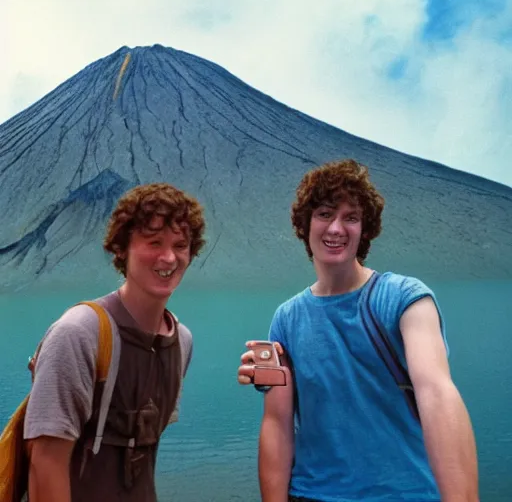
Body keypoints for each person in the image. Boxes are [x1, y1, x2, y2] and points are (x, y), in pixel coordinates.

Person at [238, 159, 479, 502]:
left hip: (404, 494)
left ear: (365, 230)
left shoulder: (405, 299)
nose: (336, 228)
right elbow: (277, 424)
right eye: (324, 214)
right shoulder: (287, 319)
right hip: (311, 494)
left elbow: (437, 392)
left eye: (350, 217)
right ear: (305, 224)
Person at [24, 182, 206, 502]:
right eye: (154, 242)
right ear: (122, 248)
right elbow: (45, 463)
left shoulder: (181, 342)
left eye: (180, 245)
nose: (169, 258)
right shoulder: (80, 332)